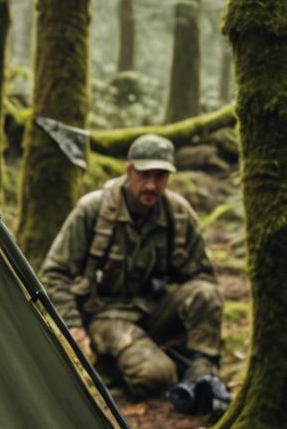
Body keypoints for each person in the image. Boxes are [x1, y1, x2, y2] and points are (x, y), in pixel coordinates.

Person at [39, 133, 223, 402]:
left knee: (206, 292)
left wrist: (201, 357)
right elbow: (54, 273)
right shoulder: (93, 209)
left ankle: (203, 371)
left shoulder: (178, 214)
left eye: (160, 176)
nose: (151, 185)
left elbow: (202, 276)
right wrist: (73, 326)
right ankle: (111, 366)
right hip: (106, 316)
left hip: (155, 311)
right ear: (129, 170)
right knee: (157, 376)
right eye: (144, 174)